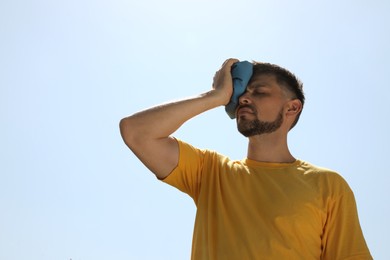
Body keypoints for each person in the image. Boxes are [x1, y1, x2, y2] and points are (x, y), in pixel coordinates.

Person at [119, 58, 372, 259]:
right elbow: (136, 132)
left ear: (292, 108)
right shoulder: (211, 172)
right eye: (242, 93)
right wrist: (215, 97)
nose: (244, 98)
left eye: (260, 91)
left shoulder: (327, 185)